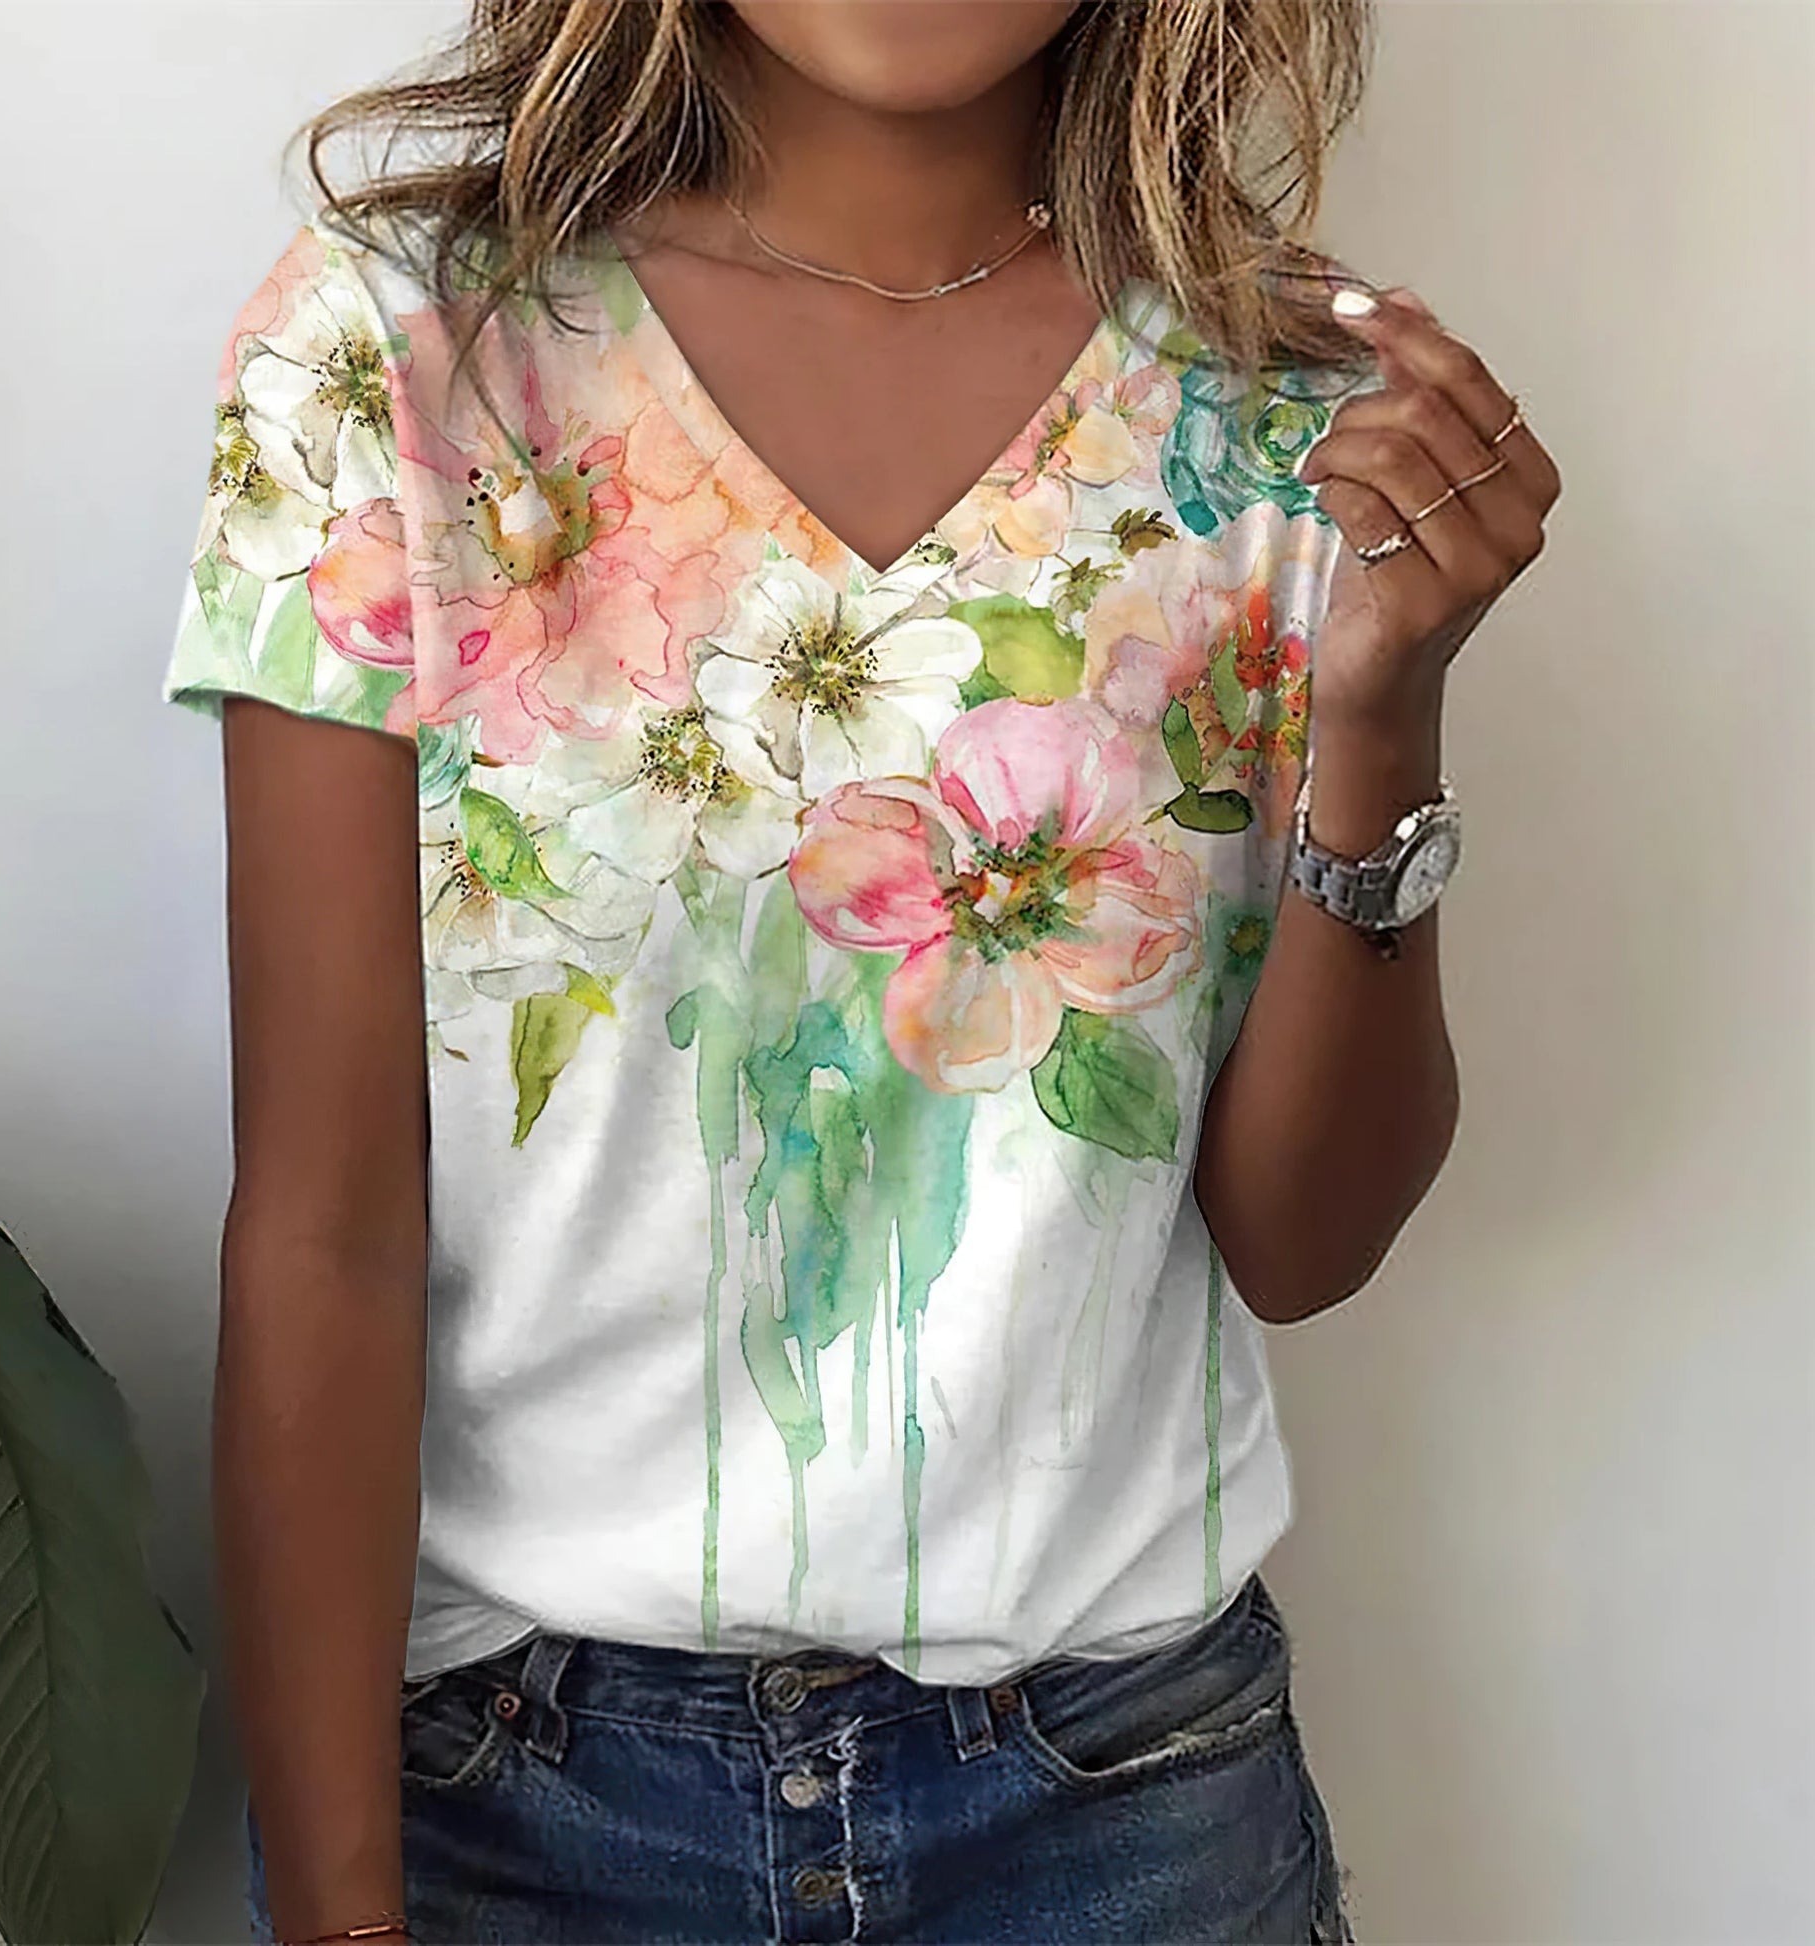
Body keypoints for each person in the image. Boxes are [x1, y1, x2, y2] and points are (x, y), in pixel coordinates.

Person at [162, 2, 1558, 1940]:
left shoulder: (1286, 408)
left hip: (1116, 1802)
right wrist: (336, 1912)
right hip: (515, 1799)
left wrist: (1385, 714)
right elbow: (325, 1231)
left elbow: (1302, 1242)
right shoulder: (400, 350)